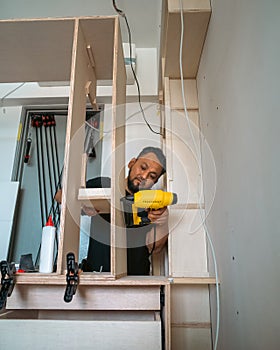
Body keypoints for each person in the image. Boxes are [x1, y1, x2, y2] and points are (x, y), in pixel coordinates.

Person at [56, 146, 169, 275]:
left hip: (135, 278)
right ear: (132, 163)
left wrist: (163, 223)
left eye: (152, 176)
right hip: (97, 274)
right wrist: (83, 204)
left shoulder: (152, 203)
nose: (144, 176)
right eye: (143, 167)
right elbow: (59, 196)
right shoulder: (103, 186)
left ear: (155, 182)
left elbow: (155, 248)